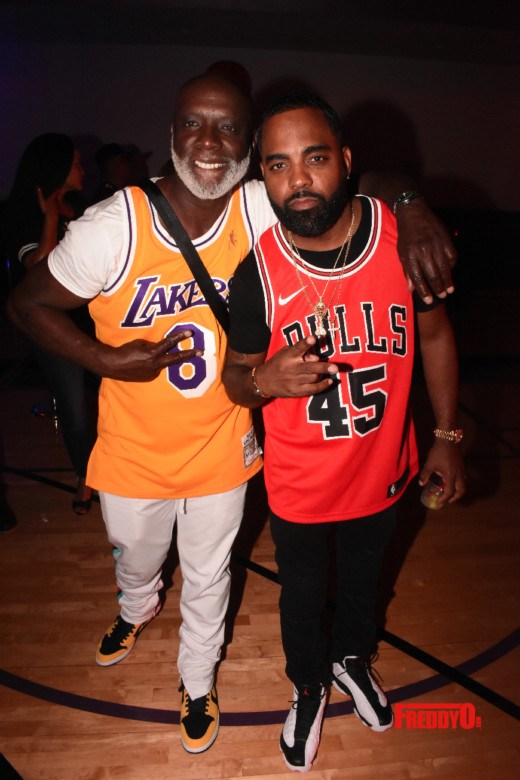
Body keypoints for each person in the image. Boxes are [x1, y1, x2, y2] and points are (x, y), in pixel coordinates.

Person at [7, 71, 457, 756]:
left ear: (247, 149)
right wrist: (105, 361)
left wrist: (411, 204)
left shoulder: (261, 204)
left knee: (212, 575)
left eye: (228, 129)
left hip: (225, 444)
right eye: (193, 124)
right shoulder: (114, 226)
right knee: (139, 563)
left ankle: (199, 680)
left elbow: (352, 178)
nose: (210, 142)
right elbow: (25, 304)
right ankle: (135, 606)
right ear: (172, 134)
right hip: (134, 450)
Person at [222, 92, 466, 772]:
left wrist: (447, 437)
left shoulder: (402, 237)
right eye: (278, 165)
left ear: (347, 161)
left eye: (316, 158)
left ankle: (352, 659)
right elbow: (234, 380)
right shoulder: (257, 274)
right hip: (300, 484)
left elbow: (436, 336)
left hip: (384, 468)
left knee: (364, 583)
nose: (298, 180)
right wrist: (265, 379)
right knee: (301, 597)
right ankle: (308, 684)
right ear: (262, 176)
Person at [2, 133, 95, 515]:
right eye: (75, 163)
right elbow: (37, 268)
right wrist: (51, 217)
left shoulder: (82, 207)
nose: (82, 170)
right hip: (52, 326)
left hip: (90, 318)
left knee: (113, 398)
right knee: (74, 406)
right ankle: (84, 479)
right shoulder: (25, 212)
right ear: (55, 167)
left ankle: (115, 469)